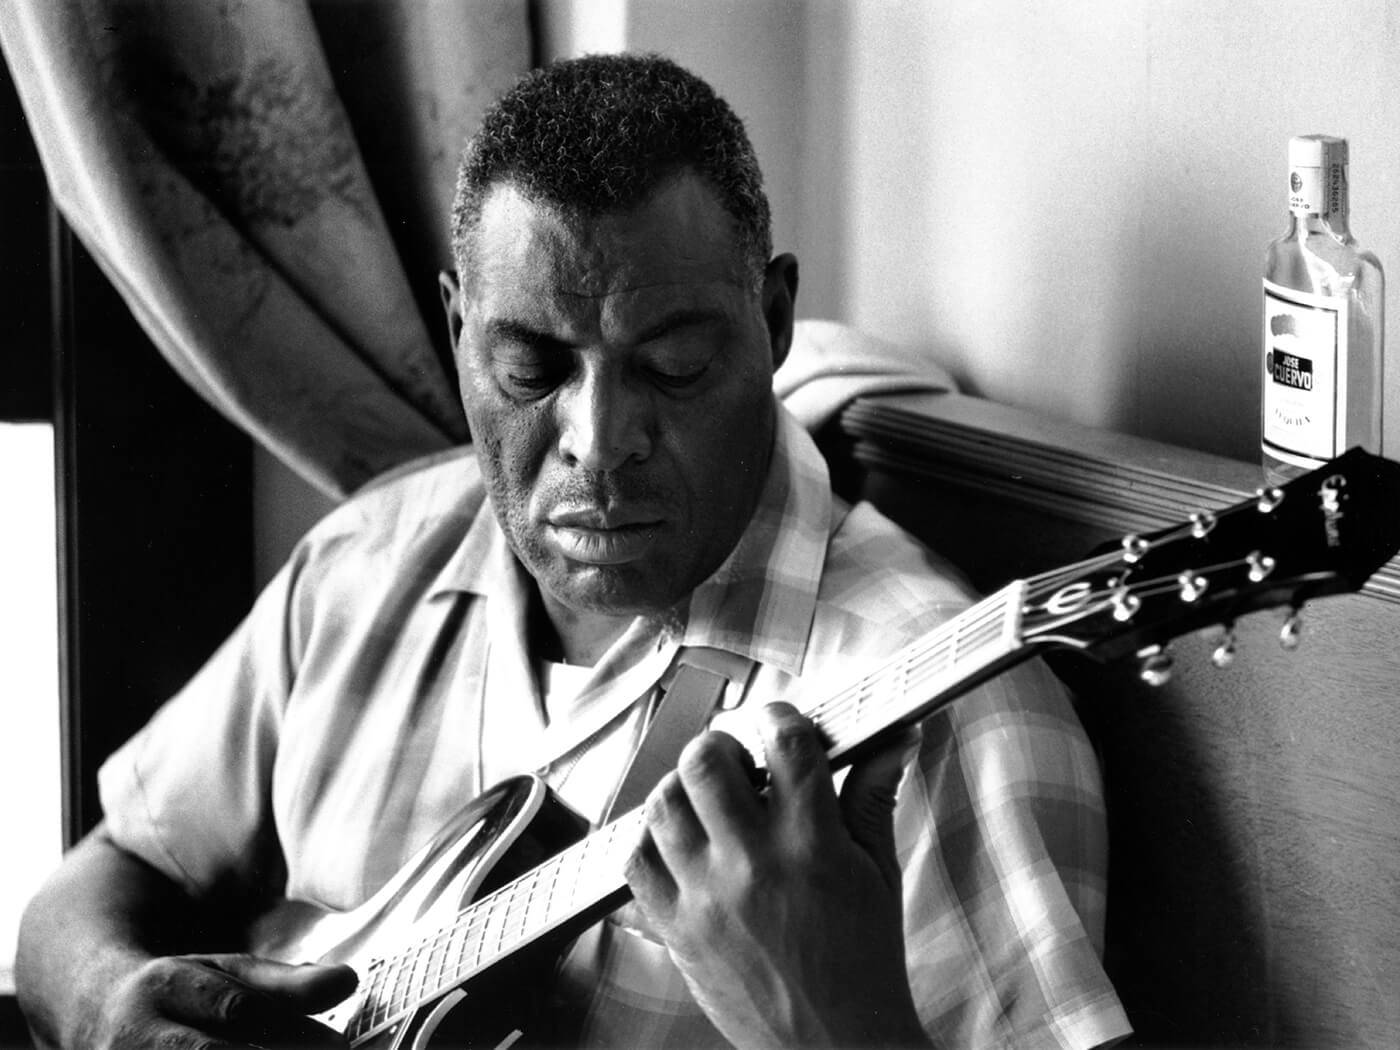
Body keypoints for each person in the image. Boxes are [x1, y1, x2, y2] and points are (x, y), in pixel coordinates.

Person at [16, 53, 1131, 1049]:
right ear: (458, 330)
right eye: (532, 370)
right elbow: (108, 873)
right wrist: (109, 1002)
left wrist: (831, 1027)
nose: (599, 441)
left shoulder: (943, 706)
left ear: (775, 321)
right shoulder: (366, 560)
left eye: (673, 366)